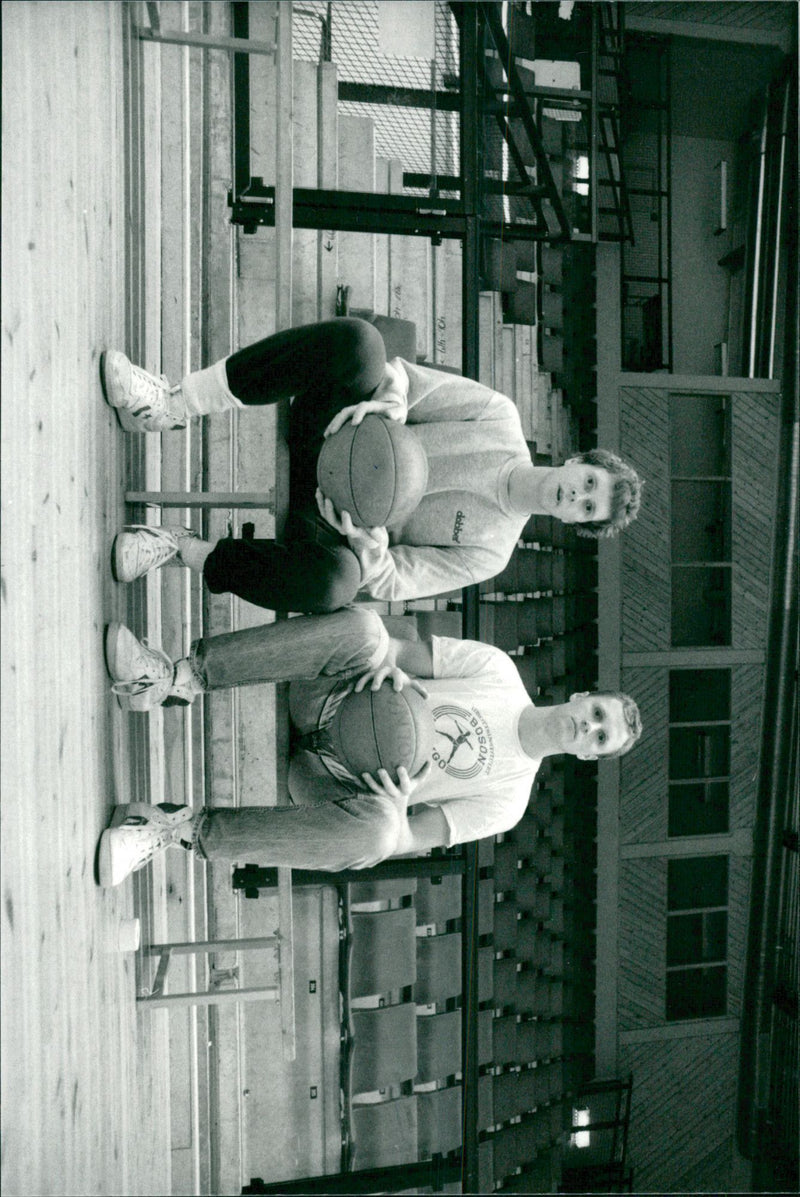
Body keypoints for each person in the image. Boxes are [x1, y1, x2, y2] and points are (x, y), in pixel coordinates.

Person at [101, 319, 642, 612]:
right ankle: (172, 406)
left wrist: (369, 544)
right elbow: (405, 376)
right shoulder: (498, 418)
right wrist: (390, 404)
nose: (577, 496)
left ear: (575, 524)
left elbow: (391, 580)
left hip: (337, 519)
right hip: (336, 433)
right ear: (576, 461)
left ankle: (180, 549)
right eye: (588, 483)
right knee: (362, 345)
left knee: (336, 586)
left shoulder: (492, 553)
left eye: (587, 508)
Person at [97, 610, 643, 887]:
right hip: (330, 700)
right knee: (366, 631)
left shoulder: (508, 801)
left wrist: (400, 801)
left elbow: (411, 837)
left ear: (589, 758)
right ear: (582, 695)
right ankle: (173, 678)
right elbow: (400, 647)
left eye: (599, 738)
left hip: (334, 782)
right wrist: (392, 666)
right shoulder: (498, 670)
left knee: (380, 834)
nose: (586, 728)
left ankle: (176, 830)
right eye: (597, 714)